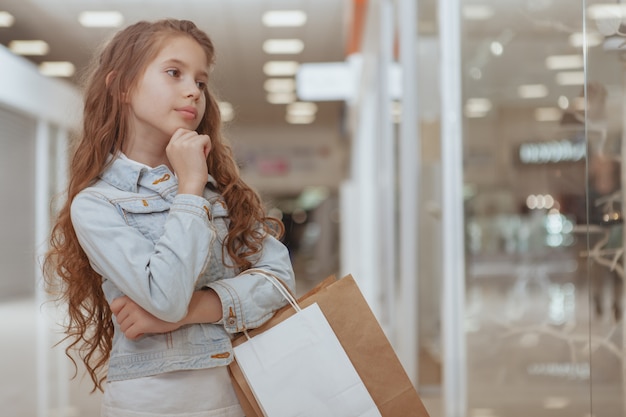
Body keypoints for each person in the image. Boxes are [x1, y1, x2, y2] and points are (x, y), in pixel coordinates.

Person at [43, 19, 295, 417]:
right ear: (122, 86)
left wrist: (194, 310)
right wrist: (189, 187)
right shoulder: (98, 203)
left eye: (201, 80)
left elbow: (280, 283)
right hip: (152, 404)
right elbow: (165, 295)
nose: (193, 90)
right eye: (174, 72)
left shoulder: (222, 191)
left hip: (240, 395)